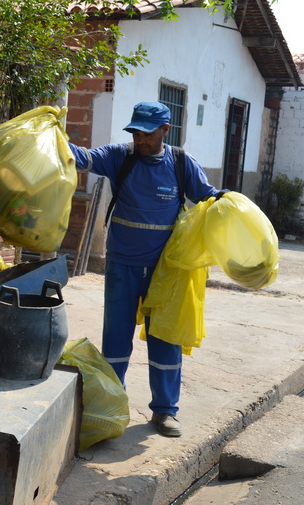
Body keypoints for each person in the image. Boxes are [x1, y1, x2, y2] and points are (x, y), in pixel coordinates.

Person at [68, 101, 221, 437]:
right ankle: (112, 406)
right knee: (116, 341)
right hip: (121, 265)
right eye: (136, 131)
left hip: (164, 272)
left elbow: (208, 196)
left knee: (165, 339)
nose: (140, 139)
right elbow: (81, 157)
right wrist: (47, 138)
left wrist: (233, 205)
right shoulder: (119, 157)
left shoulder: (181, 163)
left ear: (165, 130)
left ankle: (165, 411)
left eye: (147, 133)